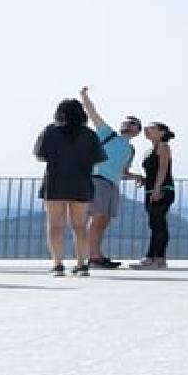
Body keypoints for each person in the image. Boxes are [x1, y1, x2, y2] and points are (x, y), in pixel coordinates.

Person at [33, 99, 107, 277]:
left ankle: (58, 265)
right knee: (80, 226)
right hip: (81, 182)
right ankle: (82, 265)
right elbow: (99, 157)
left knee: (55, 225)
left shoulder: (50, 131)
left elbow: (39, 155)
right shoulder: (89, 134)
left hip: (55, 182)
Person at [78, 86, 143, 269]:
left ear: (137, 131)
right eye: (126, 122)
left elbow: (123, 172)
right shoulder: (108, 134)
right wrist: (84, 97)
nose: (128, 124)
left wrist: (135, 176)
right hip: (98, 180)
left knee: (103, 221)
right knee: (97, 218)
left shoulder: (130, 150)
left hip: (113, 185)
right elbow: (93, 114)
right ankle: (95, 257)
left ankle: (96, 255)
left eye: (133, 123)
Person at [131, 123, 176, 269]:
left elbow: (163, 169)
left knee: (158, 223)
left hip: (163, 190)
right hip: (150, 190)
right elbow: (153, 172)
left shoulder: (163, 147)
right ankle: (153, 257)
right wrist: (143, 180)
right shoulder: (149, 150)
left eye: (151, 128)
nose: (146, 130)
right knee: (154, 224)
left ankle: (158, 258)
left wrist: (157, 189)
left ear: (162, 132)